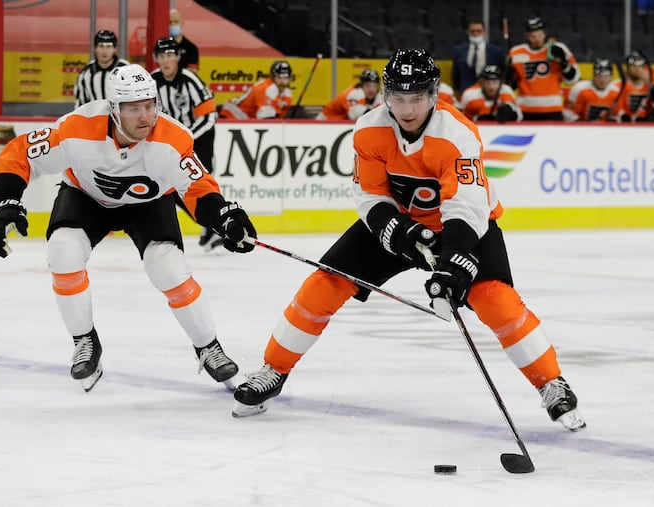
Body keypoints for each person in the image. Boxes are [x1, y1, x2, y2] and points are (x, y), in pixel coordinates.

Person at [231, 49, 586, 433]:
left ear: (434, 94)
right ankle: (273, 369)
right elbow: (369, 195)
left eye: (416, 97)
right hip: (402, 225)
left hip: (463, 227)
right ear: (386, 95)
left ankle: (551, 383)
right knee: (326, 282)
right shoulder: (368, 129)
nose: (406, 107)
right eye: (398, 97)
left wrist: (452, 261)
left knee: (495, 300)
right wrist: (396, 230)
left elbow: (466, 206)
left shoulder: (457, 134)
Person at [0, 64, 257, 392]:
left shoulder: (172, 138)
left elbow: (199, 190)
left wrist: (226, 217)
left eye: (150, 105)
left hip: (149, 203)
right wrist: (5, 200)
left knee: (168, 267)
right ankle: (85, 341)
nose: (145, 117)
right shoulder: (78, 129)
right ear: (113, 109)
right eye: (133, 108)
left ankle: (208, 345)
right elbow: (19, 155)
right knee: (63, 251)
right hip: (85, 197)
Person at [151, 37, 223, 252]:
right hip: (169, 142)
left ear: (178, 57)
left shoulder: (190, 80)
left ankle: (218, 222)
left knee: (199, 184)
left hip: (199, 139)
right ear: (156, 58)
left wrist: (187, 138)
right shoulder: (152, 82)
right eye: (162, 56)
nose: (166, 60)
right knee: (170, 189)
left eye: (170, 55)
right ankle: (210, 225)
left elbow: (209, 115)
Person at [506, 16, 580, 121]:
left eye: (540, 35)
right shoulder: (516, 52)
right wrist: (509, 75)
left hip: (553, 108)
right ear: (527, 36)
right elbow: (510, 85)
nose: (537, 39)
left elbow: (573, 79)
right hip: (525, 108)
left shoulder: (558, 49)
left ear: (545, 34)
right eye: (533, 36)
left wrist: (564, 63)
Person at [219, 60, 294, 119]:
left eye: (286, 78)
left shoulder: (286, 93)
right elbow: (267, 119)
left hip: (247, 119)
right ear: (273, 77)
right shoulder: (266, 89)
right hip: (232, 117)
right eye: (279, 77)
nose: (283, 82)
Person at [73, 29, 129, 108]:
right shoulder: (86, 73)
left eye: (109, 46)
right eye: (101, 46)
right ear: (95, 48)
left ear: (114, 49)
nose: (104, 51)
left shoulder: (126, 70)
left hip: (121, 118)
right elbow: (80, 103)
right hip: (94, 118)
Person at [451, 19, 505, 97]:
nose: (475, 34)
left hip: (490, 94)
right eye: (472, 31)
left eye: (479, 31)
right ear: (468, 32)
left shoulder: (496, 52)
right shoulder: (459, 51)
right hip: (465, 93)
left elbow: (502, 73)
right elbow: (455, 75)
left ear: (484, 32)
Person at [614, 51, 654, 122]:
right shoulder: (617, 85)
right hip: (624, 124)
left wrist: (650, 85)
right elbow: (616, 111)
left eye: (640, 66)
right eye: (633, 66)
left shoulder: (652, 85)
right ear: (627, 67)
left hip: (646, 124)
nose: (637, 69)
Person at [316, 69, 383, 121]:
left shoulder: (378, 96)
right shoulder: (354, 94)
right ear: (362, 85)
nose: (371, 90)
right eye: (368, 86)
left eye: (374, 86)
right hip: (325, 122)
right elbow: (356, 116)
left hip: (339, 123)